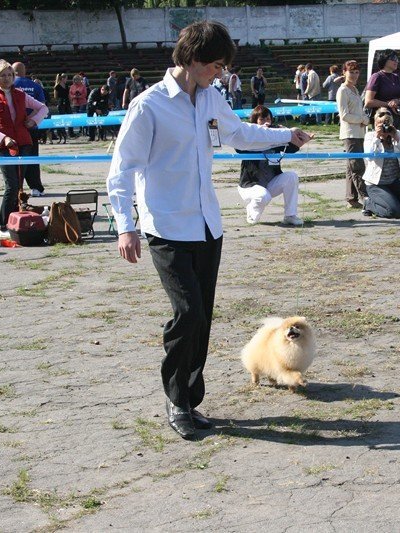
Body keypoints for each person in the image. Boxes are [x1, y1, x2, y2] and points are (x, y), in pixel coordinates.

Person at [106, 21, 311, 441]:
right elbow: (122, 169)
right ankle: (176, 400)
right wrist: (125, 227)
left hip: (206, 226)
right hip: (165, 227)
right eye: (215, 65)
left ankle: (189, 400)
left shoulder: (211, 99)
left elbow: (239, 134)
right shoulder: (148, 107)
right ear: (193, 59)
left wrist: (285, 136)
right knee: (188, 314)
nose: (220, 73)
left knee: (202, 320)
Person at [0, 59, 48, 238]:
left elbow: (43, 108)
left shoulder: (20, 94)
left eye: (9, 75)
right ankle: (3, 225)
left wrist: (33, 121)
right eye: (3, 76)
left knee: (18, 185)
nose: (7, 79)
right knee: (11, 185)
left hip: (24, 143)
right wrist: (3, 138)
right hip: (4, 146)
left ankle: (14, 222)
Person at [236, 106, 303, 226]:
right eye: (262, 119)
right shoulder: (249, 139)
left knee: (291, 176)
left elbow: (293, 148)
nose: (266, 122)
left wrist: (302, 138)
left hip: (270, 184)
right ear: (255, 122)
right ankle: (251, 210)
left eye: (268, 119)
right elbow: (238, 148)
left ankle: (290, 215)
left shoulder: (275, 138)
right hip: (249, 186)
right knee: (262, 195)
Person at [362, 107, 400, 218]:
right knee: (394, 213)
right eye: (381, 124)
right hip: (376, 184)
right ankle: (369, 204)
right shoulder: (370, 136)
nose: (385, 127)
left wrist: (396, 137)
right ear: (375, 123)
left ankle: (394, 206)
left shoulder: (395, 134)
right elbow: (369, 157)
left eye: (387, 124)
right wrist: (377, 137)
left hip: (393, 182)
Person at [336, 60, 369, 210]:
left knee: (351, 167)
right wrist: (361, 119)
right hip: (350, 133)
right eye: (351, 72)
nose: (355, 75)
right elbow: (344, 115)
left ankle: (351, 198)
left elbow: (358, 112)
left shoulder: (354, 89)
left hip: (359, 132)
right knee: (357, 167)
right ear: (344, 72)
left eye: (357, 72)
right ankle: (366, 197)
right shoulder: (343, 90)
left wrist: (365, 119)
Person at [12, 62, 47, 197]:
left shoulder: (10, 86)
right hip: (31, 127)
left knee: (15, 159)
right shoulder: (35, 86)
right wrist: (30, 119)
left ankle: (16, 188)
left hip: (14, 129)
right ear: (24, 72)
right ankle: (36, 187)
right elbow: (42, 106)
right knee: (32, 157)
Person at [364, 49, 400, 128]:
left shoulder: (396, 77)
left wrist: (397, 101)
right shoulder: (376, 77)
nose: (396, 61)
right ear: (384, 60)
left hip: (396, 119)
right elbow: (368, 101)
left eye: (397, 59)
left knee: (397, 139)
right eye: (393, 58)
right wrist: (389, 104)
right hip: (381, 118)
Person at [53, 73, 70, 142]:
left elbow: (68, 94)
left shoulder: (66, 85)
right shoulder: (57, 86)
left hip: (67, 102)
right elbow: (55, 96)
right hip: (61, 102)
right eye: (66, 78)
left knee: (69, 116)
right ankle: (62, 133)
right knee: (61, 118)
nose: (66, 80)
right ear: (63, 78)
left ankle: (70, 132)